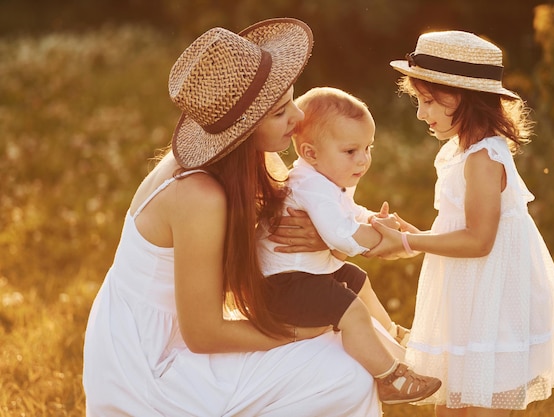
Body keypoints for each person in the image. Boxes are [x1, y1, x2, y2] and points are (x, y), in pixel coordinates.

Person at [82, 18, 383, 417]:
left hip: (180, 341)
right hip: (148, 367)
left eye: (291, 100)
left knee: (349, 348)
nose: (298, 117)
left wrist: (324, 239)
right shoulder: (198, 195)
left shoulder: (252, 165)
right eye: (280, 112)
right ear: (241, 131)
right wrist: (305, 331)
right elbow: (204, 333)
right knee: (346, 374)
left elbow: (269, 258)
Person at [366, 30, 554, 416]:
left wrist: (410, 244)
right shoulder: (459, 151)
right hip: (469, 294)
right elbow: (459, 231)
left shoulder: (483, 158)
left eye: (428, 101)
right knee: (451, 404)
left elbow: (480, 241)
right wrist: (410, 234)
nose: (420, 113)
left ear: (462, 97)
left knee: (480, 405)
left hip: (494, 302)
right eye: (419, 101)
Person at [256, 86, 442, 405]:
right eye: (351, 151)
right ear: (311, 153)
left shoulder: (326, 178)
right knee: (351, 310)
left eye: (368, 148)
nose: (363, 160)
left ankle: (393, 333)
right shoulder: (311, 186)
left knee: (356, 279)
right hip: (282, 287)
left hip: (303, 275)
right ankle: (389, 377)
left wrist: (373, 221)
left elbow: (349, 214)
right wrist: (384, 239)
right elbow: (341, 235)